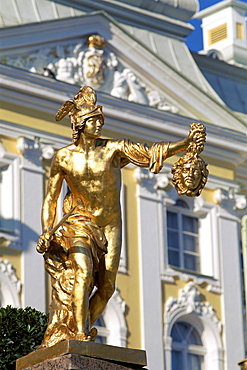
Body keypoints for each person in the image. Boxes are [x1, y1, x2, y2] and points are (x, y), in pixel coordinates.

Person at [37, 86, 206, 344]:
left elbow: (151, 152)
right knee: (83, 271)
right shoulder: (63, 158)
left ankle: (77, 327)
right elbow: (51, 198)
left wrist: (185, 144)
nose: (99, 124)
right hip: (78, 223)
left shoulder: (114, 150)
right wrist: (47, 230)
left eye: (100, 120)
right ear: (80, 124)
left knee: (106, 289)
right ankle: (80, 337)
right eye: (93, 120)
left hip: (110, 226)